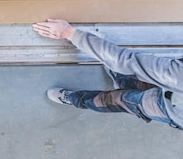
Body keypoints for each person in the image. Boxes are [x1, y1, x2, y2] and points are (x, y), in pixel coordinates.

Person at [32, 18, 183, 130]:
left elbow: (124, 60)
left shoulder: (178, 76)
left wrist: (70, 33)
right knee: (139, 78)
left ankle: (75, 99)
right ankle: (124, 80)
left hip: (170, 107)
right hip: (175, 89)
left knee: (118, 100)